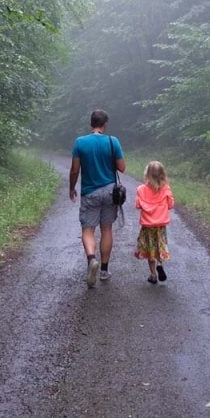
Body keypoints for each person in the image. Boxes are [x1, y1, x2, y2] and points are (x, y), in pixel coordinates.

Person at [69, 109, 125, 287]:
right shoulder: (112, 141)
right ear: (105, 124)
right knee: (107, 229)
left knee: (88, 230)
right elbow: (122, 168)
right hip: (109, 191)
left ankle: (92, 260)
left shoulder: (80, 142)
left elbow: (75, 170)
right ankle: (104, 271)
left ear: (91, 123)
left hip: (89, 192)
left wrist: (72, 188)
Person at [134, 160, 174, 284]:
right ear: (162, 174)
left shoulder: (141, 189)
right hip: (160, 225)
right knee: (159, 247)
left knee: (150, 249)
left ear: (147, 174)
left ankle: (153, 275)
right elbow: (171, 205)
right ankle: (160, 264)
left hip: (147, 226)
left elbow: (137, 205)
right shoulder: (166, 189)